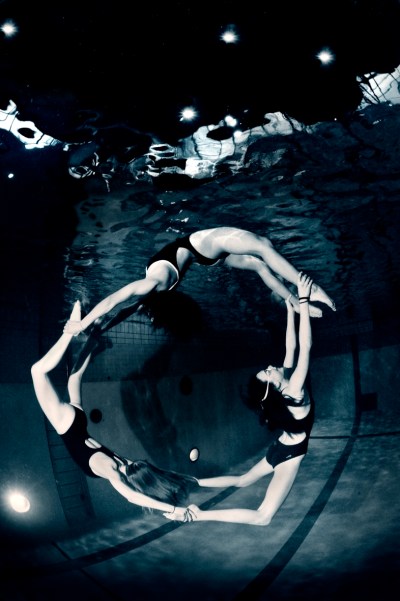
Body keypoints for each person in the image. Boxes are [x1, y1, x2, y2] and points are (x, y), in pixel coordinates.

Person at [164, 272, 315, 526]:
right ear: (274, 385)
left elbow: (291, 347)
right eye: (268, 372)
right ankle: (198, 514)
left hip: (282, 447)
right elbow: (305, 346)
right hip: (289, 455)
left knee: (243, 480)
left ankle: (192, 481)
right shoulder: (294, 391)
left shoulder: (285, 386)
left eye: (267, 369)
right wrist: (303, 300)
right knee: (263, 516)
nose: (271, 366)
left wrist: (290, 308)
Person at [31, 300, 196, 520]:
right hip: (67, 425)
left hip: (79, 420)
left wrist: (175, 495)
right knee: (37, 371)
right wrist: (172, 509)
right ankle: (72, 329)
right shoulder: (113, 468)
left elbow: (149, 479)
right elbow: (131, 496)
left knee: (75, 377)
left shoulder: (124, 462)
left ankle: (96, 333)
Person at [63, 226, 336, 336]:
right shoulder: (151, 288)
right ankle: (310, 289)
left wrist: (93, 326)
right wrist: (91, 325)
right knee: (262, 245)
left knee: (260, 264)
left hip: (203, 256)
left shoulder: (152, 292)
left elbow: (118, 306)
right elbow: (117, 304)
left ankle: (295, 301)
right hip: (200, 245)